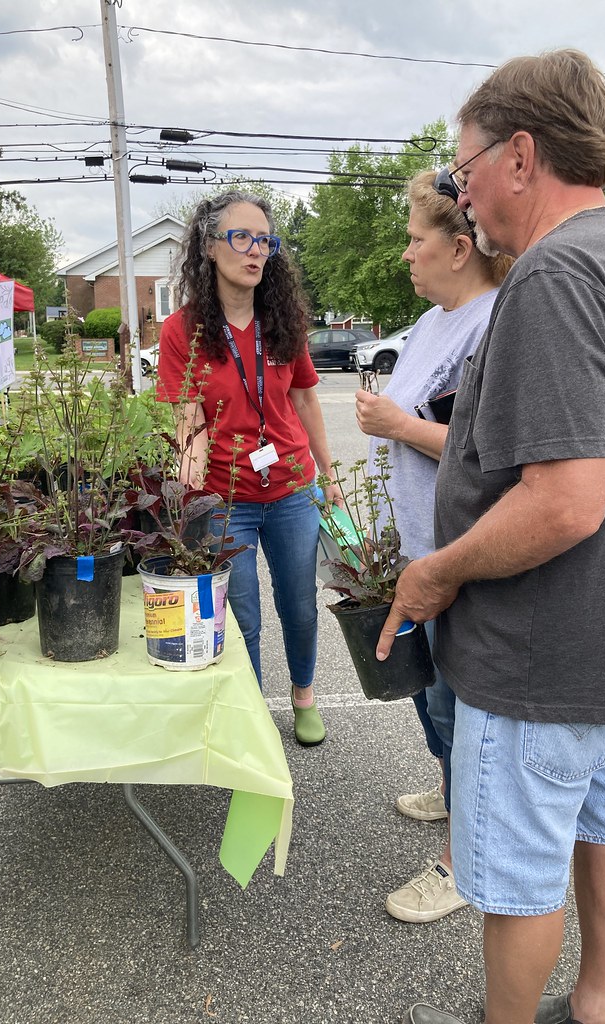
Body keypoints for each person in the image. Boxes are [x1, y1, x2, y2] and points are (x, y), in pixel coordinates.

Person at [373, 51, 605, 1024]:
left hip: (539, 650)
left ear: (521, 155)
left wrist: (436, 572)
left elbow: (567, 499)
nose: (462, 191)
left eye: (464, 166)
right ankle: (602, 1003)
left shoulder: (554, 275)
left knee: (522, 872)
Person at [355, 169, 512, 924]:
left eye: (416, 241)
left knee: (455, 709)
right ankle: (452, 796)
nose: (406, 255)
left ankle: (459, 861)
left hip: (457, 555)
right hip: (415, 545)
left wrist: (398, 427)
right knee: (427, 695)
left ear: (458, 248)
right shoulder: (430, 324)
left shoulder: (492, 324)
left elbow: (491, 453)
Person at [157, 190, 341, 746]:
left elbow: (306, 400)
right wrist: (184, 502)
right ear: (210, 247)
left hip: (291, 489)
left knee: (300, 605)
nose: (255, 251)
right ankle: (253, 713)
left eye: (264, 240)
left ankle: (304, 695)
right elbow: (187, 422)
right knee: (242, 617)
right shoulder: (181, 330)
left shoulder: (285, 322)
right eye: (241, 237)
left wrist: (329, 476)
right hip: (225, 498)